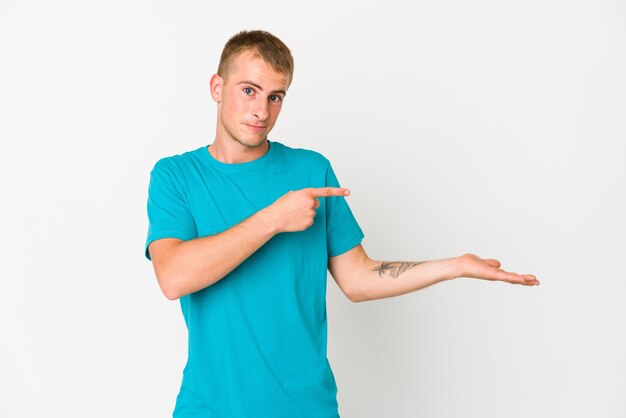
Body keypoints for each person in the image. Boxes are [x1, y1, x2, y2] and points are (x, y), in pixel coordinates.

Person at [144, 29, 539, 418]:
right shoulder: (176, 176)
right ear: (217, 86)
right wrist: (273, 219)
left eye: (275, 96)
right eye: (249, 90)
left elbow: (358, 278)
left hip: (306, 408)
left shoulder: (311, 170)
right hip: (211, 408)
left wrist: (454, 266)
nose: (261, 110)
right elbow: (174, 277)